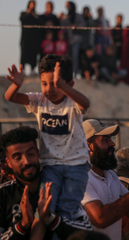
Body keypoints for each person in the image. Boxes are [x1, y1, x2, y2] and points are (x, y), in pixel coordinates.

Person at [4, 55, 91, 236]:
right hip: (51, 165)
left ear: (70, 85)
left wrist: (63, 88)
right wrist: (16, 84)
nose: (49, 89)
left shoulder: (72, 103)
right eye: (44, 83)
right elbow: (10, 96)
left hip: (76, 165)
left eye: (55, 84)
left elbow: (86, 103)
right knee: (44, 209)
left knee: (66, 210)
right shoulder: (39, 101)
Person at [0, 126, 93, 239]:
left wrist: (51, 219)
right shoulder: (3, 194)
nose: (26, 162)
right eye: (18, 157)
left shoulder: (60, 188)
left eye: (30, 154)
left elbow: (88, 230)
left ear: (38, 153)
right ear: (8, 162)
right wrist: (22, 225)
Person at [81, 119, 129, 240]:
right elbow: (99, 218)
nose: (112, 144)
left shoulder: (110, 175)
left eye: (110, 139)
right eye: (105, 140)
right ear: (88, 145)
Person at [61, 1, 85, 76]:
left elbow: (83, 25)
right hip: (67, 40)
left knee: (75, 56)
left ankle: (75, 72)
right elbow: (63, 27)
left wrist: (76, 26)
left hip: (76, 39)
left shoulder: (78, 16)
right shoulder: (66, 17)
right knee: (68, 57)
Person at [20, 0, 42, 75]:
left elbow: (40, 22)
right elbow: (22, 20)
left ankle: (32, 69)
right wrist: (28, 12)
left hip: (34, 38)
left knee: (33, 54)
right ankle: (22, 69)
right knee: (24, 53)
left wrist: (34, 16)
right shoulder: (24, 13)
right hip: (25, 38)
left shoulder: (36, 15)